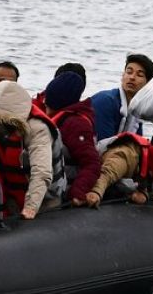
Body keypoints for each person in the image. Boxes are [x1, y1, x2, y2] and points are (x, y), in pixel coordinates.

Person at [0, 80, 61, 219]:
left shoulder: (38, 129)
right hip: (14, 197)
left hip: (45, 201)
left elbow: (41, 172)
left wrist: (31, 207)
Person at [42, 72, 101, 208]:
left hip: (67, 185)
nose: (46, 108)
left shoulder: (76, 125)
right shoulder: (63, 118)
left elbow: (92, 164)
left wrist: (77, 193)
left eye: (48, 104)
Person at [86, 136, 153, 206]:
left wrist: (143, 194)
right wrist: (95, 193)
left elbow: (144, 181)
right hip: (83, 171)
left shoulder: (146, 162)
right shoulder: (127, 157)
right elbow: (106, 174)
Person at [91, 54, 153, 140]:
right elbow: (103, 146)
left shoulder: (136, 113)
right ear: (122, 76)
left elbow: (137, 144)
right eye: (129, 72)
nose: (132, 77)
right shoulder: (106, 101)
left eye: (139, 75)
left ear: (148, 84)